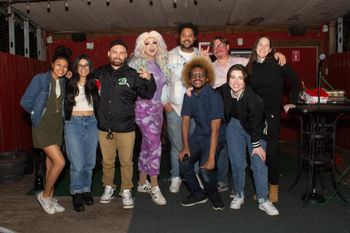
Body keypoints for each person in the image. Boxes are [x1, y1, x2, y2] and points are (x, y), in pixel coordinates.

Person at [210, 36, 287, 194]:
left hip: (253, 114)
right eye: (215, 46)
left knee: (258, 158)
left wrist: (277, 55)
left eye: (221, 45)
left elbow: (261, 60)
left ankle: (264, 195)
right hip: (229, 116)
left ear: (228, 47)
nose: (218, 48)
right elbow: (212, 90)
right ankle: (233, 186)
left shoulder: (245, 62)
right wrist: (193, 89)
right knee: (231, 154)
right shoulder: (211, 68)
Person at [95, 39, 156, 209]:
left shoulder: (133, 74)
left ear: (125, 56)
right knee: (107, 161)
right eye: (114, 52)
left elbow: (148, 94)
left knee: (126, 162)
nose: (118, 55)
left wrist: (149, 79)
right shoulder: (98, 73)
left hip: (126, 128)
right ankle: (108, 187)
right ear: (109, 54)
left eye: (122, 52)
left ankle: (126, 189)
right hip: (104, 127)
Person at [218, 64, 279, 216]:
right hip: (234, 125)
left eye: (240, 78)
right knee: (237, 162)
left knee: (258, 162)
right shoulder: (225, 89)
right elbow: (210, 92)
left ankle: (263, 200)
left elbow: (255, 124)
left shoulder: (253, 99)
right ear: (228, 80)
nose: (236, 81)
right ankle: (239, 194)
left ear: (245, 81)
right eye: (233, 77)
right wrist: (192, 89)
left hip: (255, 128)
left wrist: (256, 145)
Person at [247, 36, 299, 203]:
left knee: (272, 152)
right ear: (256, 47)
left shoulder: (277, 63)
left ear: (270, 50)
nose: (262, 47)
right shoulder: (250, 67)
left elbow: (295, 81)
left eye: (266, 45)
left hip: (272, 113)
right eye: (260, 44)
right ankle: (262, 188)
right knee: (257, 152)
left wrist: (292, 101)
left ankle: (273, 188)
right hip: (256, 115)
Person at [20, 46, 71, 214]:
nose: (61, 69)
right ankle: (45, 195)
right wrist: (36, 114)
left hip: (57, 126)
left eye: (65, 66)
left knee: (51, 166)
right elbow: (25, 101)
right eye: (58, 65)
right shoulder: (40, 79)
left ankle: (50, 198)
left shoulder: (63, 81)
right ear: (52, 64)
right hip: (43, 127)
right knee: (60, 162)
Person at [129, 31, 170, 205]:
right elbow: (133, 88)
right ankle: (154, 186)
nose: (151, 46)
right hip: (143, 109)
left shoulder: (160, 63)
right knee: (155, 146)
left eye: (154, 43)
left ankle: (141, 183)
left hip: (158, 109)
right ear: (141, 46)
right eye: (147, 43)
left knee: (147, 145)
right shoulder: (137, 64)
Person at [179, 57, 225, 210]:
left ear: (207, 78)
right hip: (199, 135)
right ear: (189, 79)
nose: (197, 78)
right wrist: (186, 147)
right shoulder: (189, 95)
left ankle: (215, 197)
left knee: (205, 170)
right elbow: (185, 121)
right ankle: (198, 194)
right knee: (184, 163)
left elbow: (216, 130)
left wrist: (211, 157)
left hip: (214, 137)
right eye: (194, 75)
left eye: (201, 75)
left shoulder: (214, 96)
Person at [164, 22, 202, 193]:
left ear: (194, 38)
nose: (186, 37)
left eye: (190, 35)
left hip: (196, 110)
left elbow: (211, 81)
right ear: (179, 37)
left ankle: (194, 175)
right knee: (176, 145)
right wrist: (165, 103)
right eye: (183, 34)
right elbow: (162, 81)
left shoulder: (202, 56)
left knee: (194, 145)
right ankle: (176, 176)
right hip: (174, 107)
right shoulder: (168, 56)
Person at [64, 54, 99, 212]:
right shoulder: (68, 83)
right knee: (77, 163)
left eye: (86, 65)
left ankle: (86, 189)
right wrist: (65, 76)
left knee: (89, 162)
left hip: (92, 123)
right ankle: (76, 193)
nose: (83, 68)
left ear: (90, 67)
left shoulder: (96, 84)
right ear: (76, 68)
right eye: (80, 65)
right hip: (73, 124)